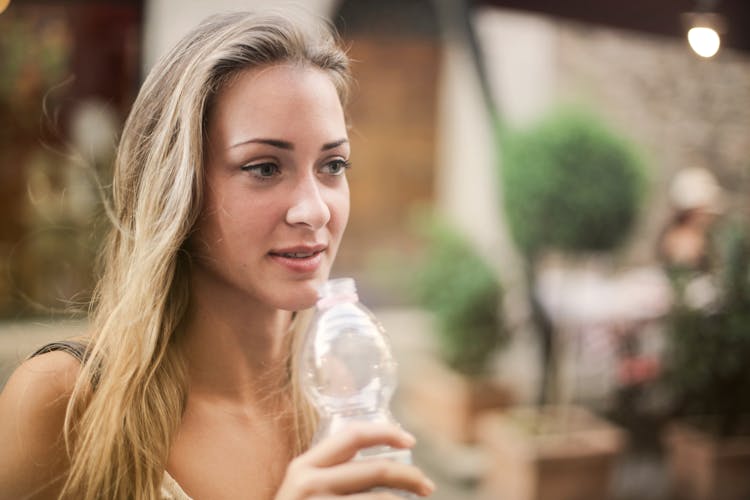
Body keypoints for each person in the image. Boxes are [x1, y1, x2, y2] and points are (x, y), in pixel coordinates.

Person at [0, 11, 435, 500]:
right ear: (178, 186)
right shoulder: (62, 402)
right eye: (265, 167)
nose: (314, 210)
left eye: (332, 165)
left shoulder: (339, 392)